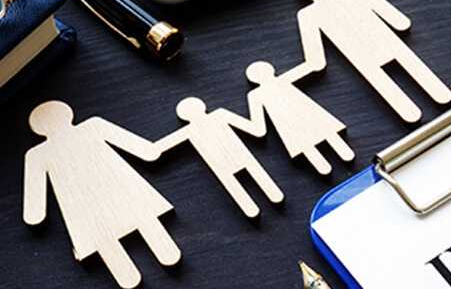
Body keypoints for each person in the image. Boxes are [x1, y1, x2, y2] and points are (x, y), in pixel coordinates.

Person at [23, 101, 179, 289]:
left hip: (82, 210)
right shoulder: (92, 126)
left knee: (105, 240)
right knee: (144, 219)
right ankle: (166, 254)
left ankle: (128, 276)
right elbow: (143, 150)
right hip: (121, 188)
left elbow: (34, 206)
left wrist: (35, 215)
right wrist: (152, 150)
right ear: (68, 114)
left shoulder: (37, 154)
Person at [295, 0, 451, 123]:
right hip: (384, 40)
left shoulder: (308, 15)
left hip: (360, 53)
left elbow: (316, 58)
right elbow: (399, 21)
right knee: (413, 68)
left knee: (386, 84)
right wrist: (400, 22)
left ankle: (411, 111)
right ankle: (437, 96)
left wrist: (301, 71)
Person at [155, 97, 284, 218]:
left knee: (235, 184)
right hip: (234, 155)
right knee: (250, 177)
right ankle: (267, 199)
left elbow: (158, 148)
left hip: (223, 161)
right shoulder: (219, 115)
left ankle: (254, 207)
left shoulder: (191, 129)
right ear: (202, 107)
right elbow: (251, 127)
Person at [245, 61, 354, 175]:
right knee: (323, 134)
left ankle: (329, 164)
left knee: (315, 139)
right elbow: (312, 65)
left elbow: (259, 127)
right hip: (297, 118)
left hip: (291, 121)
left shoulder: (256, 94)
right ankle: (337, 159)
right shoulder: (273, 85)